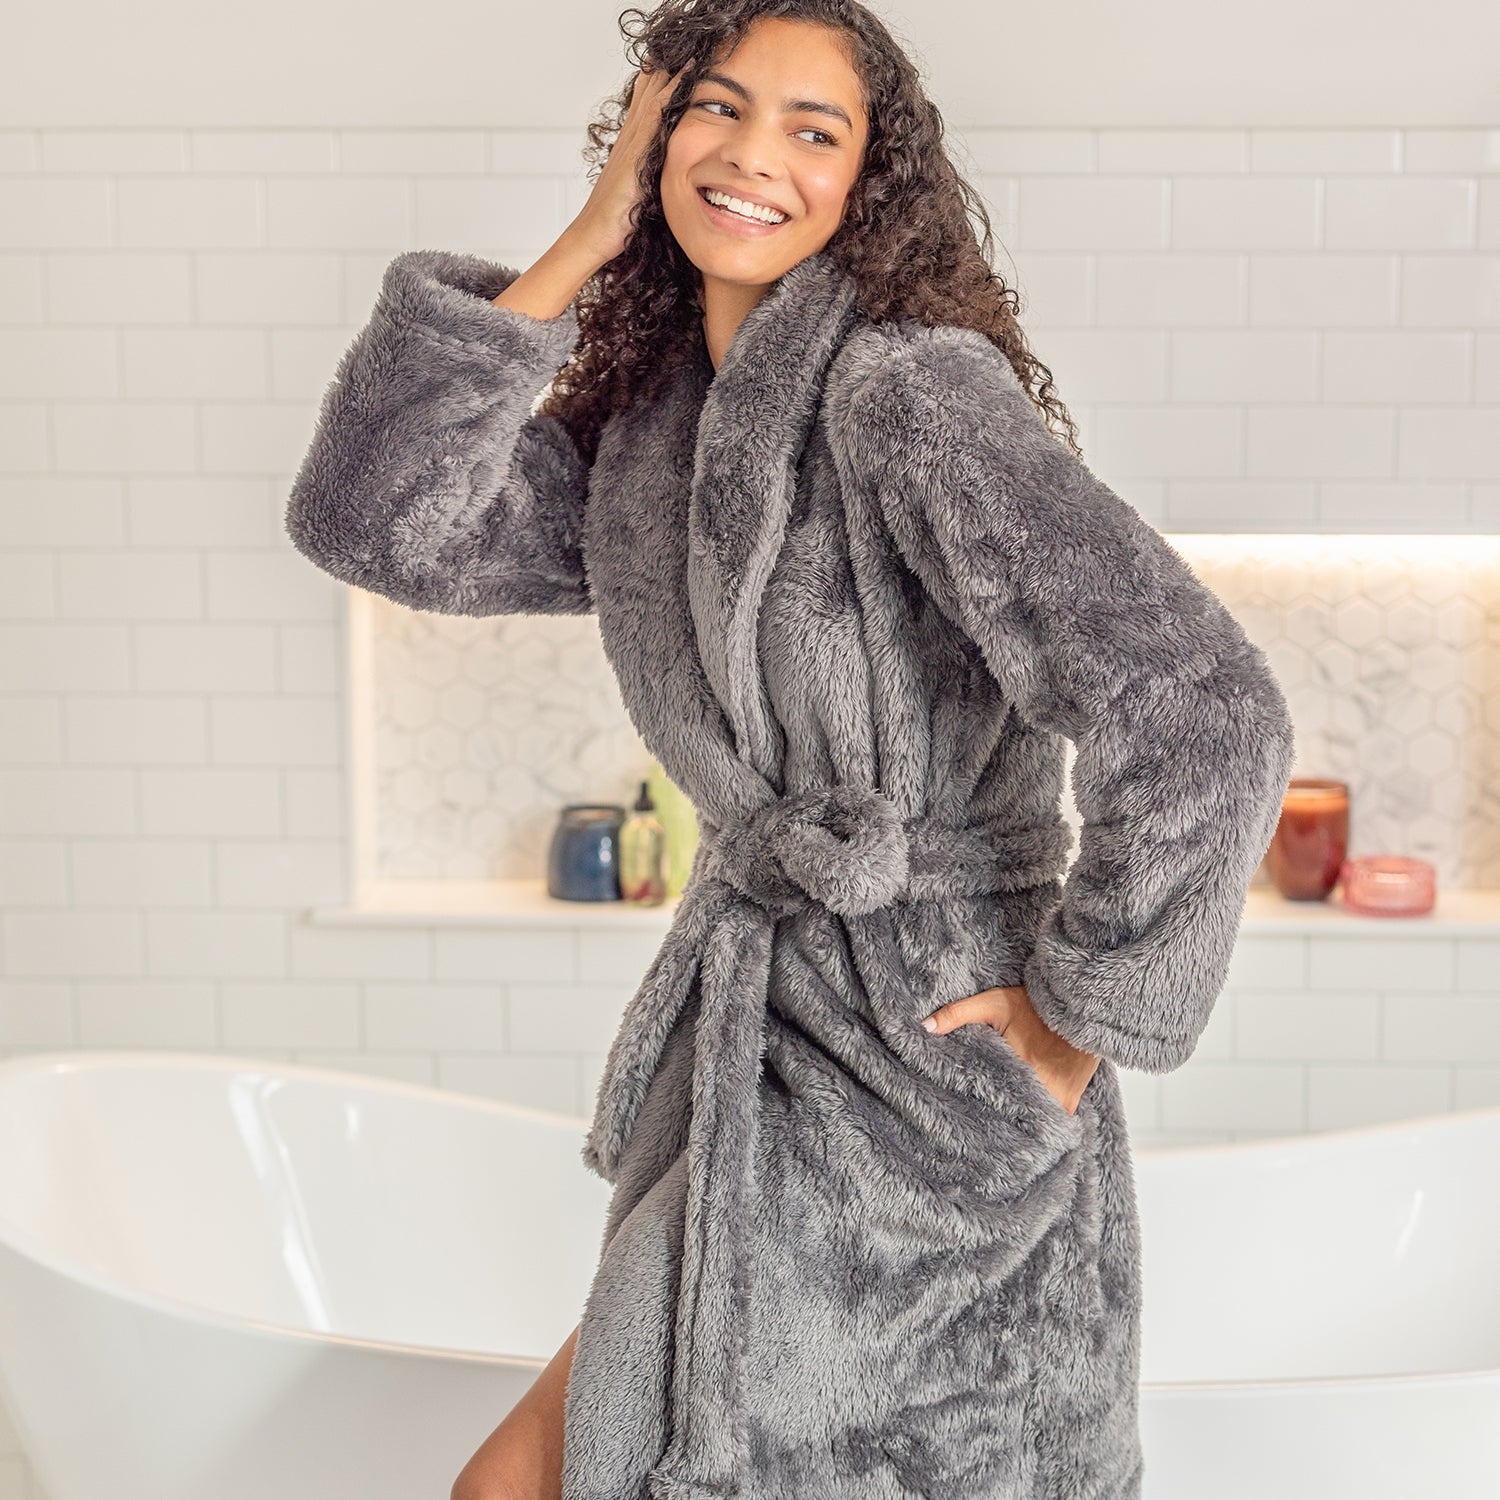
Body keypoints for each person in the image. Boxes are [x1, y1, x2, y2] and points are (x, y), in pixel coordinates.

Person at [284, 1, 1297, 1496]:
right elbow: (376, 519)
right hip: (758, 1046)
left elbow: (1203, 707)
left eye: (813, 130)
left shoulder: (908, 390)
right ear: (655, 128)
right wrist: (593, 225)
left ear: (866, 181)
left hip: (930, 1074)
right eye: (715, 107)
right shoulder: (653, 440)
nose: (755, 154)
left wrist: (1075, 1022)